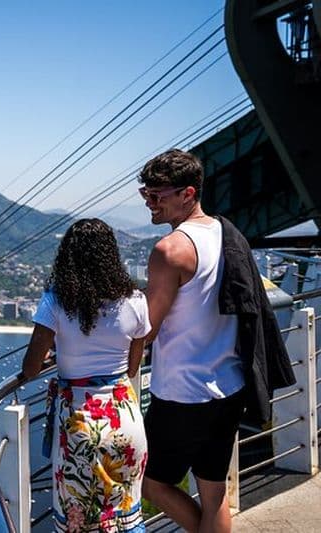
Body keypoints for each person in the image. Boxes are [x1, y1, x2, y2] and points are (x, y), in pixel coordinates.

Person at [138, 149, 295, 533]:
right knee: (214, 492)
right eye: (145, 194)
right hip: (229, 385)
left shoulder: (169, 250)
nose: (149, 204)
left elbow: (146, 328)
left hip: (181, 392)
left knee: (150, 480)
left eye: (157, 195)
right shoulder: (228, 234)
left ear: (188, 193)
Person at [22, 218, 150, 533]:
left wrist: (60, 352)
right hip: (125, 420)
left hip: (80, 425)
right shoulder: (135, 301)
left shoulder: (55, 302)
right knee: (125, 518)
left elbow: (30, 368)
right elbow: (132, 367)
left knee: (79, 523)